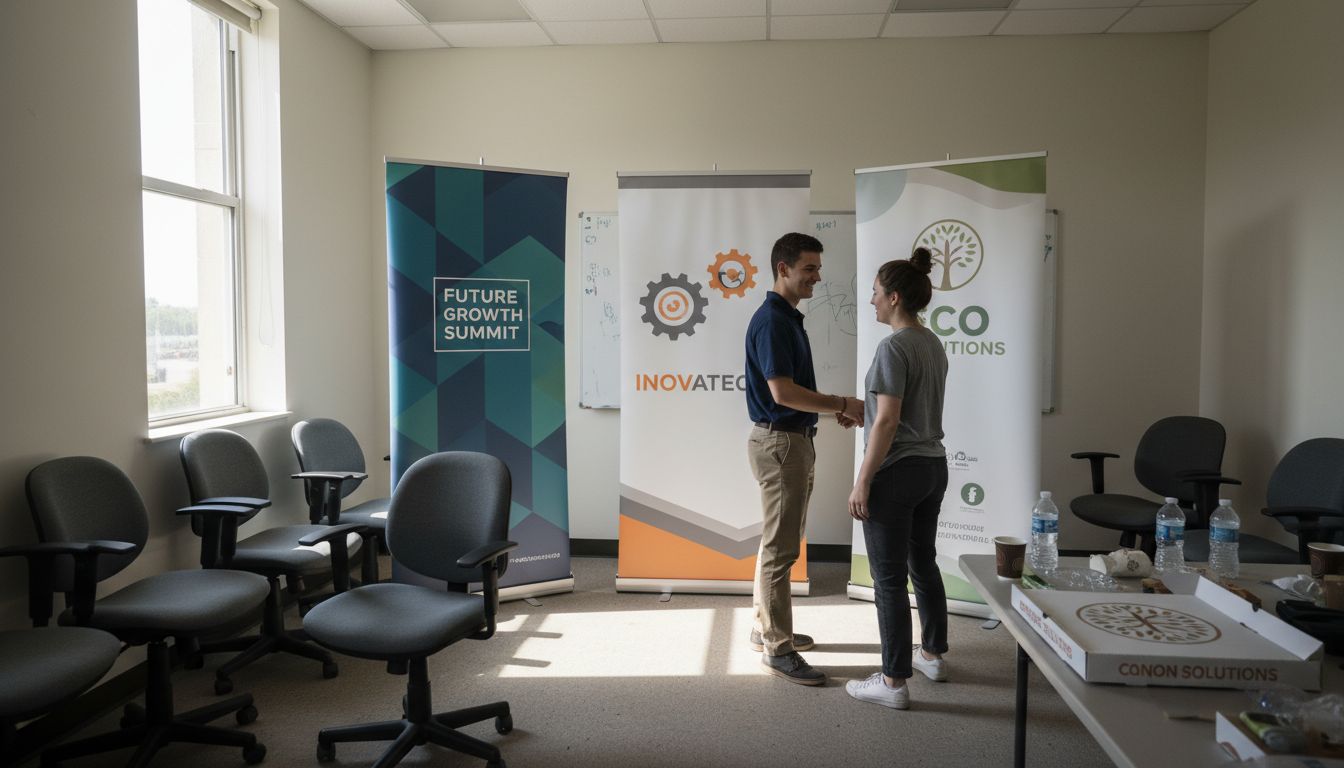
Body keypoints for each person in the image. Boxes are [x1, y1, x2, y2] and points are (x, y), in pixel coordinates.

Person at [745, 232, 864, 686]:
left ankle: (765, 629)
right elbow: (783, 392)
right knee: (781, 547)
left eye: (817, 268)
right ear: (783, 269)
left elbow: (791, 393)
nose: (817, 276)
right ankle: (777, 648)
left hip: (791, 440)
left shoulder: (787, 318)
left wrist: (833, 410)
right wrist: (840, 404)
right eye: (809, 268)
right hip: (781, 445)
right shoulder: (774, 321)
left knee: (779, 540)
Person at [845, 247, 950, 710]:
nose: (870, 302)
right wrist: (862, 415)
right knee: (922, 563)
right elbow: (897, 412)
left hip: (896, 473)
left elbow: (888, 423)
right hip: (932, 467)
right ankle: (931, 654)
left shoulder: (892, 346)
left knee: (888, 580)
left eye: (873, 294)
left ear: (892, 297)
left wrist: (862, 480)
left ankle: (892, 683)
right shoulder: (930, 342)